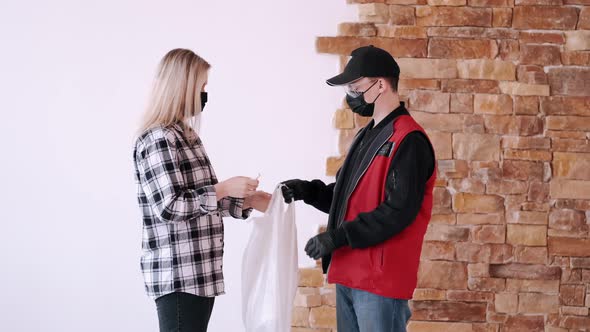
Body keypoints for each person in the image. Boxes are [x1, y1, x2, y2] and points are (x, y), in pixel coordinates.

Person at [282, 45, 436, 332]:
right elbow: (346, 198)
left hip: (380, 280)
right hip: (351, 273)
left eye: (355, 87)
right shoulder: (367, 135)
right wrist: (307, 191)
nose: (350, 95)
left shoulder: (409, 140)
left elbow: (398, 211)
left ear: (380, 84)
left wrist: (339, 237)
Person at [133, 48, 271, 332]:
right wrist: (223, 187)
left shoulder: (186, 135)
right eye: (202, 87)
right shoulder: (159, 139)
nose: (205, 94)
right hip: (178, 276)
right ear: (183, 88)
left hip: (199, 274)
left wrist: (248, 201)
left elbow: (200, 203)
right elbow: (170, 207)